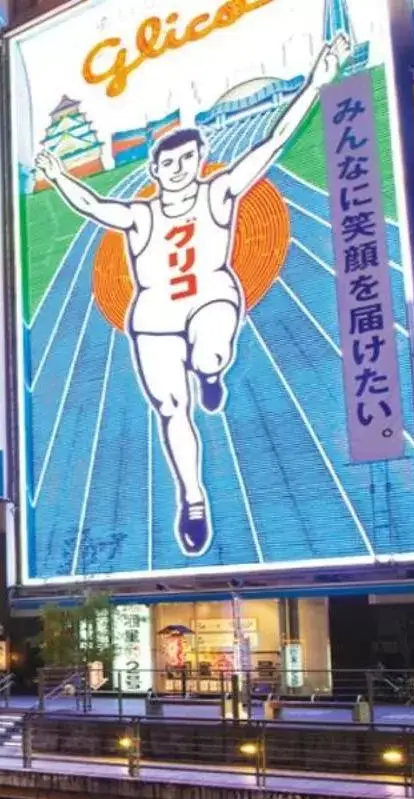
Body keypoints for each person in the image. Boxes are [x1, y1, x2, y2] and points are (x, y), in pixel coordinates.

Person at [33, 35, 347, 556]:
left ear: (200, 160)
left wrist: (317, 80)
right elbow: (92, 205)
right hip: (154, 316)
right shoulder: (142, 214)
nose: (179, 168)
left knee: (211, 349)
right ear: (156, 171)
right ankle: (193, 497)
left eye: (188, 158)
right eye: (170, 162)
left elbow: (271, 144)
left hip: (211, 297)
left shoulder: (217, 192)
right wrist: (59, 175)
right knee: (172, 409)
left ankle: (210, 371)